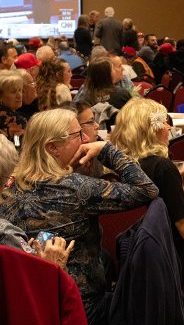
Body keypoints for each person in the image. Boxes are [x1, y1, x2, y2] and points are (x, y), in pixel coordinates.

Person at [0, 109, 158, 325]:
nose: (86, 139)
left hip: (24, 306)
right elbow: (147, 189)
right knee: (145, 302)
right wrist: (105, 149)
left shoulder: (8, 187)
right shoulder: (75, 189)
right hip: (78, 307)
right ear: (52, 147)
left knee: (105, 259)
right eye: (78, 135)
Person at [110, 98, 184, 284]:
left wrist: (175, 185)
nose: (169, 128)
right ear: (152, 129)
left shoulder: (120, 167)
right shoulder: (163, 168)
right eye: (164, 122)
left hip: (134, 259)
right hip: (171, 262)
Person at [0, 70, 26, 143]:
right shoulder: (16, 122)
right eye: (13, 92)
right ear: (1, 96)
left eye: (20, 90)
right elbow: (18, 146)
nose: (19, 95)